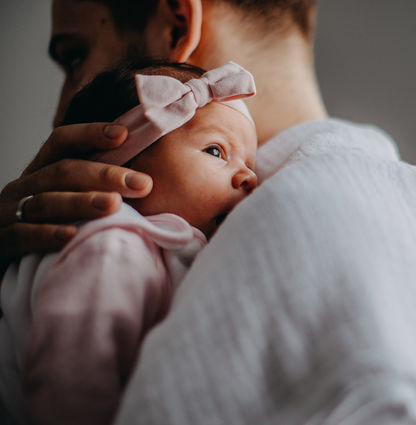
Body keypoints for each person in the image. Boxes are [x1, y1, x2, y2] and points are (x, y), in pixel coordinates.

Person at [0, 1, 416, 424]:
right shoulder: (390, 205)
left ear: (177, 25)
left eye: (74, 56)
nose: (60, 111)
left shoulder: (308, 219)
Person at [0, 60, 258, 425]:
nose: (249, 177)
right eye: (216, 151)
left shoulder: (155, 242)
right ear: (122, 170)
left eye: (251, 163)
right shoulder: (112, 245)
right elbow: (71, 374)